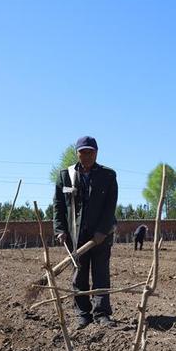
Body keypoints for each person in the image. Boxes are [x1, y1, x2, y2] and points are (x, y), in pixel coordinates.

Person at [53, 136, 118, 329]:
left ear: (96, 153)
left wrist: (102, 231)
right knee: (79, 275)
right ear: (77, 153)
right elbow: (58, 206)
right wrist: (60, 230)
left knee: (101, 275)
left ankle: (102, 314)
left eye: (90, 152)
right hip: (76, 235)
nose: (87, 155)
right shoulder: (66, 176)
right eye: (83, 152)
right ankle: (83, 314)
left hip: (102, 237)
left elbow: (110, 207)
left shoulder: (108, 176)